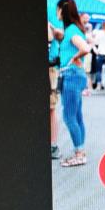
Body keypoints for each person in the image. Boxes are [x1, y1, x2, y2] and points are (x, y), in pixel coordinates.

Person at [57, 0, 91, 167]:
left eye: (57, 10)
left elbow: (85, 48)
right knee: (76, 116)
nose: (56, 13)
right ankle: (80, 151)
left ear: (62, 10)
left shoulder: (71, 30)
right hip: (75, 74)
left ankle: (79, 154)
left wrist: (75, 57)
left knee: (69, 116)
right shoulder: (73, 29)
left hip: (70, 74)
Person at [48, 21, 63, 159]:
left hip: (50, 68)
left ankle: (53, 145)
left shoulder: (53, 15)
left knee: (51, 108)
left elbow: (57, 35)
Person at [80, 12, 94, 95]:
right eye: (85, 18)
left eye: (88, 18)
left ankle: (86, 89)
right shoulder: (78, 26)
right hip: (81, 51)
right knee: (82, 70)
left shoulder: (89, 26)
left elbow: (91, 39)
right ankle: (84, 88)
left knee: (86, 71)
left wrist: (89, 48)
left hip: (86, 52)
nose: (87, 19)